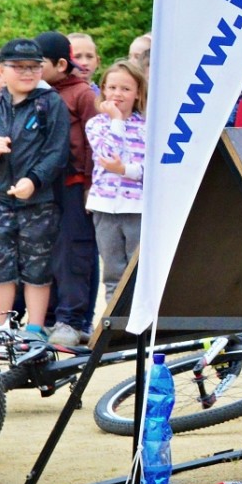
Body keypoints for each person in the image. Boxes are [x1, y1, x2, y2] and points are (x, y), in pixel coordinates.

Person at [0, 38, 69, 343]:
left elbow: (57, 151)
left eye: (34, 67)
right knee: (1, 265)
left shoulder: (51, 102)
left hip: (39, 201)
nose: (27, 72)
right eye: (19, 67)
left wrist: (34, 180)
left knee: (38, 267)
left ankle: (35, 331)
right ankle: (2, 329)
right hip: (1, 199)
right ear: (2, 70)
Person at [36, 31, 99, 347]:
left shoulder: (82, 94)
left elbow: (95, 142)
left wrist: (90, 184)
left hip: (75, 185)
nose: (33, 69)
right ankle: (48, 319)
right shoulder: (40, 93)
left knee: (74, 252)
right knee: (47, 253)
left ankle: (73, 320)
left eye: (40, 63)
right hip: (46, 186)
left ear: (61, 64)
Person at [86, 61, 146, 308]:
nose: (117, 94)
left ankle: (139, 323)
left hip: (137, 208)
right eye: (112, 88)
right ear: (103, 90)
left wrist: (124, 170)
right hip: (105, 206)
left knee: (138, 270)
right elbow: (107, 154)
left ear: (138, 93)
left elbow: (147, 169)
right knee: (112, 272)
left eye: (125, 88)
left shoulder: (147, 126)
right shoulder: (97, 124)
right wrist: (117, 120)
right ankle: (114, 323)